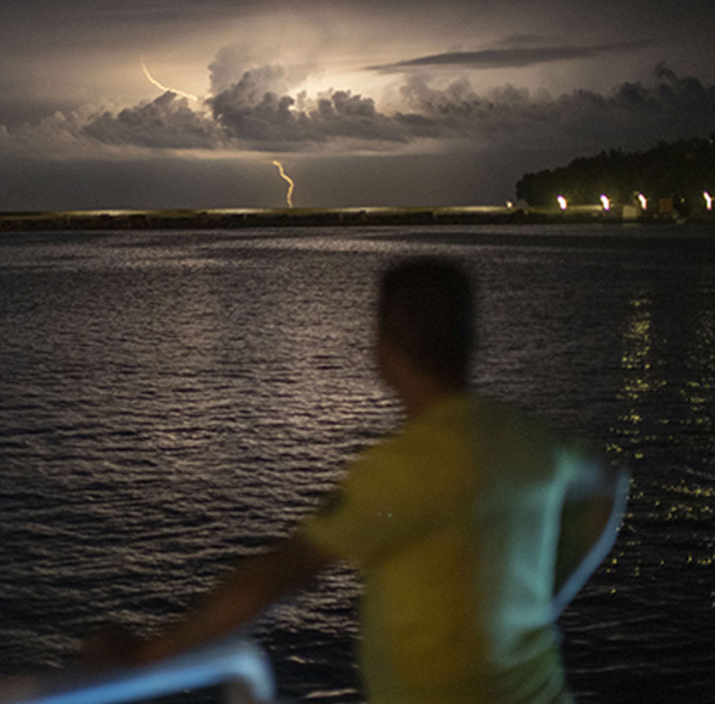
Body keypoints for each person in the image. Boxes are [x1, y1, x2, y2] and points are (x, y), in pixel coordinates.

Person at [84, 258, 629, 703]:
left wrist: (147, 654)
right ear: (470, 345)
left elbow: (278, 573)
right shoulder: (529, 441)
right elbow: (607, 487)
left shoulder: (399, 470)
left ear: (384, 353)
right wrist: (546, 600)